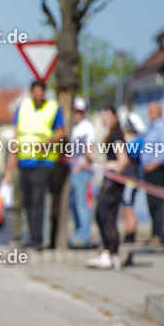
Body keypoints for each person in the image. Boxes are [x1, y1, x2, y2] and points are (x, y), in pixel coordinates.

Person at [4, 80, 65, 250]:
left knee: (38, 199)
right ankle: (31, 236)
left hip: (44, 161)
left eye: (41, 91)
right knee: (27, 200)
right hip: (25, 160)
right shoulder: (23, 107)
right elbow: (17, 133)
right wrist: (12, 156)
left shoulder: (53, 107)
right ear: (31, 92)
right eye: (36, 91)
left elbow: (61, 132)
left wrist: (48, 143)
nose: (38, 94)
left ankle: (38, 238)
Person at [87, 108, 130, 270]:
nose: (105, 120)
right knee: (102, 216)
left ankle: (113, 254)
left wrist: (100, 162)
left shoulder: (117, 136)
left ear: (115, 117)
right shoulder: (111, 135)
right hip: (109, 180)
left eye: (107, 116)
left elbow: (122, 161)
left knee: (106, 217)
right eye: (102, 116)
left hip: (113, 183)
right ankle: (107, 252)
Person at [140, 101, 164, 245]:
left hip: (156, 170)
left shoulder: (161, 127)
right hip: (148, 170)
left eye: (152, 111)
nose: (150, 114)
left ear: (159, 112)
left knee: (157, 203)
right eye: (149, 111)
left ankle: (159, 234)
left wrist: (154, 163)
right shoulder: (151, 127)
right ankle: (154, 233)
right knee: (151, 203)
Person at [68, 97, 96, 248]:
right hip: (72, 170)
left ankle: (84, 235)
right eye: (75, 111)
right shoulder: (73, 127)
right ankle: (78, 232)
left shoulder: (87, 127)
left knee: (82, 204)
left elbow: (90, 150)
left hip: (82, 171)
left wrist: (82, 163)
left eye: (79, 111)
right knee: (73, 204)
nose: (76, 114)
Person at [120, 112, 146, 244]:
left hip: (131, 178)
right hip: (128, 178)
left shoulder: (137, 141)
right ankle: (127, 232)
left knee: (128, 207)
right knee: (125, 207)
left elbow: (127, 153)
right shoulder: (134, 140)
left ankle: (130, 234)